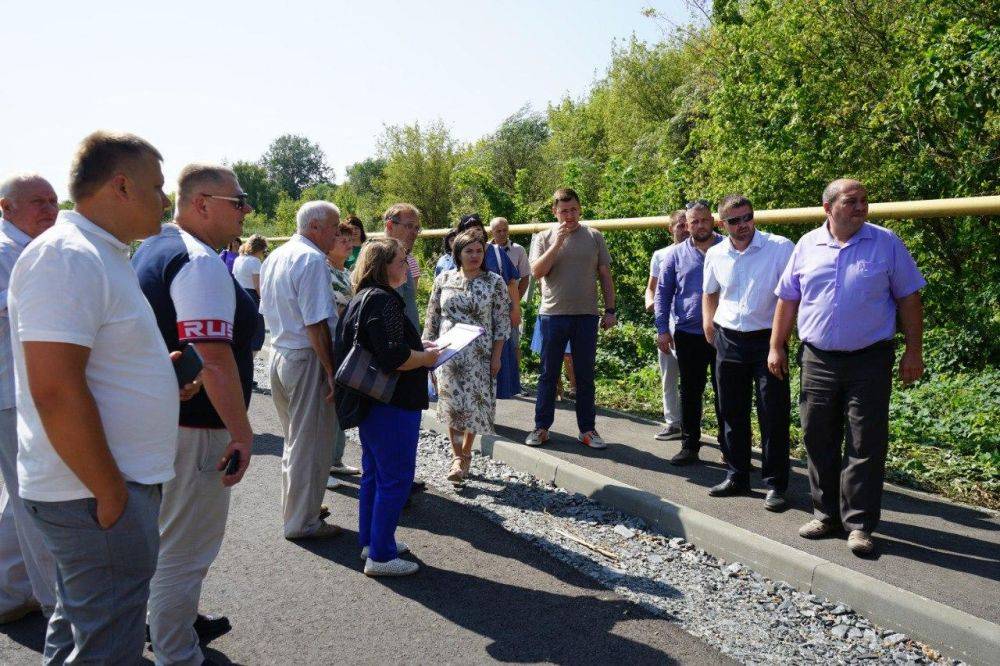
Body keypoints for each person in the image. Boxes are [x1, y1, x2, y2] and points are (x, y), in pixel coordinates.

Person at [9, 131, 179, 663]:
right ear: (121, 186)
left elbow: (92, 364)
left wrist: (158, 375)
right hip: (93, 490)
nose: (164, 198)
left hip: (99, 488)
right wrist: (110, 493)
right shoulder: (68, 256)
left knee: (81, 624)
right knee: (108, 643)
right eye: (156, 186)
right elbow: (56, 389)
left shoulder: (99, 254)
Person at [132, 163, 256, 665]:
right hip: (197, 427)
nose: (246, 210)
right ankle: (176, 650)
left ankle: (173, 622)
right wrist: (242, 432)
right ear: (201, 203)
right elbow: (215, 356)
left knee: (167, 537)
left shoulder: (156, 246)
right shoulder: (199, 260)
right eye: (237, 202)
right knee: (186, 547)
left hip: (164, 419)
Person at [770, 179, 926, 556]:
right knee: (817, 434)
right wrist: (776, 346)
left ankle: (859, 525)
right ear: (828, 208)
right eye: (851, 201)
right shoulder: (807, 245)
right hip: (818, 358)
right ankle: (826, 514)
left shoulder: (885, 242)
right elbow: (788, 300)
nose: (861, 207)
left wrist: (913, 351)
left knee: (865, 441)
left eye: (864, 201)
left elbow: (909, 299)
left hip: (869, 359)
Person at [334, 239, 441, 576]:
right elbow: (393, 357)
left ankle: (373, 540)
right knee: (395, 478)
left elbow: (382, 345)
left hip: (373, 402)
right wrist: (426, 357)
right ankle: (380, 556)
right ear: (382, 266)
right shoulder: (384, 300)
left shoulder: (363, 297)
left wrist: (418, 348)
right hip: (392, 402)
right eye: (400, 261)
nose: (406, 267)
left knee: (376, 475)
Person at [702, 195, 794, 510]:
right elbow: (710, 292)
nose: (743, 226)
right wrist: (708, 324)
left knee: (773, 412)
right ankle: (737, 474)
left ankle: (776, 485)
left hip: (768, 340)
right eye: (734, 221)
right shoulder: (715, 254)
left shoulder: (780, 248)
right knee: (731, 410)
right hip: (728, 339)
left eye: (747, 218)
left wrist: (780, 342)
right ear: (721, 224)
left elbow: (793, 297)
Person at [259, 201, 342, 540]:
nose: (337, 234)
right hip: (306, 358)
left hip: (279, 354)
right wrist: (330, 370)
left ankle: (298, 508)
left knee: (295, 441)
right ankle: (303, 522)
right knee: (310, 445)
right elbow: (316, 323)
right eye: (334, 228)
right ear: (316, 227)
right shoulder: (310, 260)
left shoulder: (277, 256)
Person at [0, 173, 58, 623]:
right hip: (13, 392)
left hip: (22, 390)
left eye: (53, 201)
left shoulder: (30, 250)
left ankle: (9, 591)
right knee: (37, 498)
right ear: (6, 207)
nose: (49, 209)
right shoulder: (6, 253)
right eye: (37, 201)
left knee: (21, 496)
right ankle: (58, 605)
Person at [527, 188, 617, 449]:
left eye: (573, 209)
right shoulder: (543, 237)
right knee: (548, 374)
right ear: (555, 212)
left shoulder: (594, 236)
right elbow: (537, 272)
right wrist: (558, 242)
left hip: (586, 316)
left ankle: (587, 430)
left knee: (585, 375)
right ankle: (541, 427)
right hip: (552, 316)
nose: (569, 215)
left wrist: (610, 310)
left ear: (580, 209)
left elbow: (605, 276)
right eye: (564, 211)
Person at [424, 230, 512, 484]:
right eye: (469, 251)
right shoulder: (444, 279)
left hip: (480, 353)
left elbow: (502, 323)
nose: (474, 256)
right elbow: (432, 317)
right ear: (458, 254)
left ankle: (465, 455)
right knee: (452, 406)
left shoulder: (494, 282)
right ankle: (457, 457)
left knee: (473, 406)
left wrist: (497, 357)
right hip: (449, 352)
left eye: (479, 251)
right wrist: (427, 352)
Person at [654, 201, 725, 466]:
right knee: (691, 392)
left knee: (727, 393)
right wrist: (662, 329)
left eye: (703, 220)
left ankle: (729, 447)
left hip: (724, 334)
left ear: (713, 221)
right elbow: (662, 294)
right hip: (688, 333)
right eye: (693, 222)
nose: (699, 226)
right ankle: (689, 446)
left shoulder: (728, 247)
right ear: (687, 225)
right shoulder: (675, 255)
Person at [456, 213, 522, 398]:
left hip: (494, 320)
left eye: (477, 228)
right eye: (469, 229)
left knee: (494, 366)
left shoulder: (496, 253)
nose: (474, 232)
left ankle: (486, 411)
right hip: (466, 323)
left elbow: (511, 283)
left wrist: (516, 310)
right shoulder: (458, 255)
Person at [645, 209, 688, 441]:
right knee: (669, 376)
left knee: (694, 379)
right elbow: (651, 287)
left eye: (687, 224)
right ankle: (673, 423)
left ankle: (693, 425)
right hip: (668, 325)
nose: (685, 229)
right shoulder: (661, 255)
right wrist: (651, 304)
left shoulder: (704, 251)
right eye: (680, 225)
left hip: (693, 326)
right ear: (670, 228)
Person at [327, 222, 361, 477]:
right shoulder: (325, 272)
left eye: (351, 240)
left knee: (340, 407)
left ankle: (336, 460)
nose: (349, 245)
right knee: (328, 411)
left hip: (345, 347)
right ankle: (324, 466)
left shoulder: (345, 272)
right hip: (331, 346)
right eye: (343, 240)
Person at [382, 203, 422, 329]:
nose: (414, 232)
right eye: (409, 226)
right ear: (390, 225)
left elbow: (409, 306)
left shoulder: (405, 259)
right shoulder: (380, 260)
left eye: (417, 228)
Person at [232, 233, 268, 363]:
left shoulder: (238, 259)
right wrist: (265, 301)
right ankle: (249, 365)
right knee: (258, 335)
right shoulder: (255, 262)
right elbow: (257, 286)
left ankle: (240, 364)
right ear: (259, 249)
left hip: (238, 297)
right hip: (252, 298)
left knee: (242, 333)